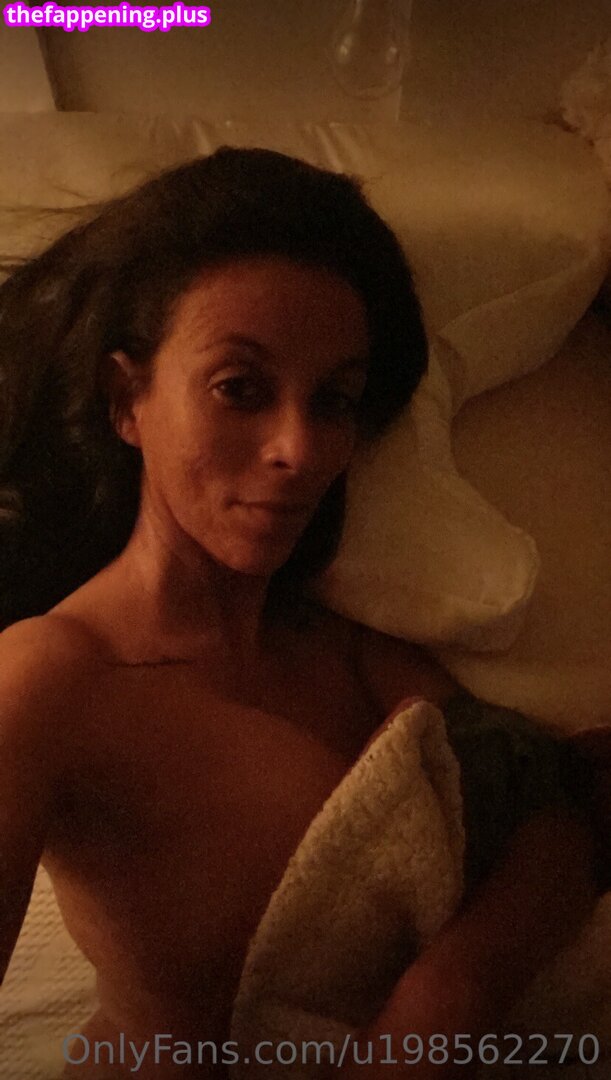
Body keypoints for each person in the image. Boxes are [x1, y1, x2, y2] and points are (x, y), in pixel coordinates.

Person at [0, 146, 604, 1080]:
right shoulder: (50, 675)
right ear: (127, 401)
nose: (299, 448)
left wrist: (446, 996)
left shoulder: (342, 643)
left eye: (333, 401)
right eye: (239, 388)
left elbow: (559, 813)